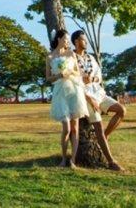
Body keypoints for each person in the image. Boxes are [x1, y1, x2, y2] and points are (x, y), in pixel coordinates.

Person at [71, 29, 126, 172]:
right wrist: (89, 99)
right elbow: (72, 83)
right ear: (76, 42)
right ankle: (111, 161)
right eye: (83, 40)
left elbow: (99, 76)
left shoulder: (91, 57)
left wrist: (93, 79)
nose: (86, 42)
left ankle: (105, 137)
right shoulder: (72, 59)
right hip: (86, 97)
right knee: (98, 128)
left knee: (121, 110)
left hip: (99, 92)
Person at [46, 28, 88, 168]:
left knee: (75, 127)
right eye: (65, 38)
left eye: (68, 39)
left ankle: (73, 160)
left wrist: (69, 71)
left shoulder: (71, 54)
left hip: (74, 89)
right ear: (59, 39)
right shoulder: (50, 57)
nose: (67, 41)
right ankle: (63, 158)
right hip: (60, 91)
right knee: (66, 127)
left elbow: (77, 71)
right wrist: (59, 75)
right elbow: (48, 78)